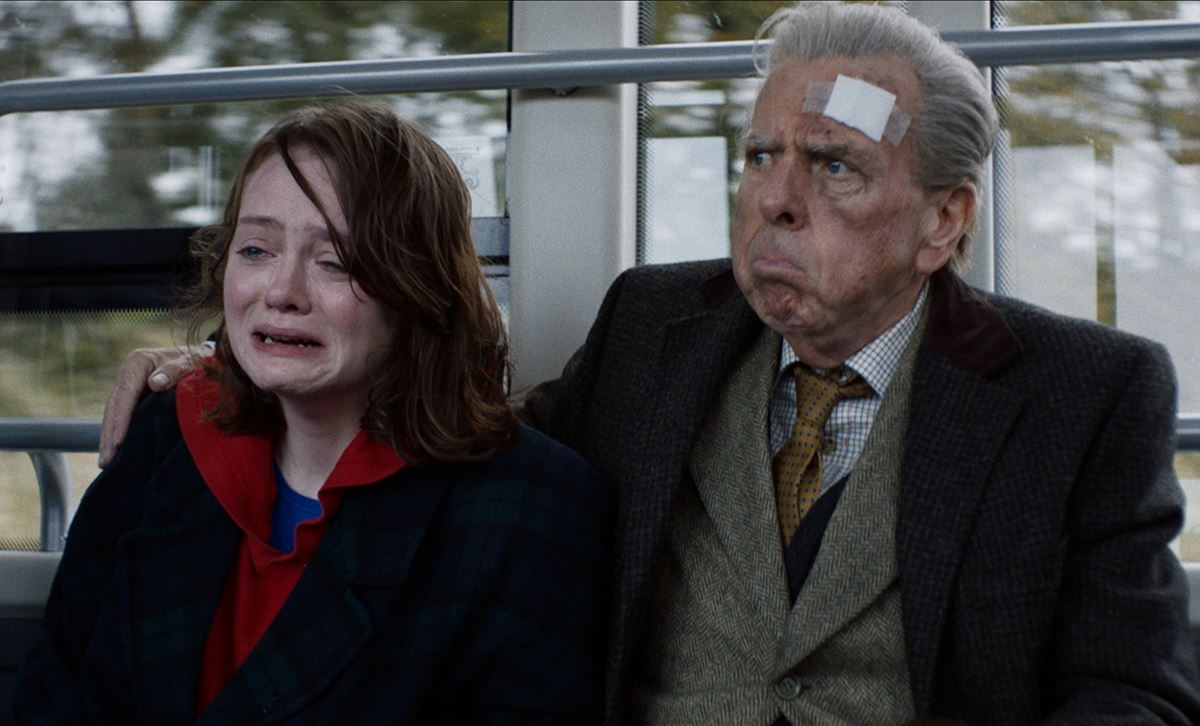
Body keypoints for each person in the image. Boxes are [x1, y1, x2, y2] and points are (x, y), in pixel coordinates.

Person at [95, 4, 1200, 725]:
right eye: (760, 155)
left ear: (944, 221)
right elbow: (460, 438)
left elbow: (1133, 695)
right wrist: (225, 369)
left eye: (834, 166)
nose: (775, 198)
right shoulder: (651, 326)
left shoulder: (1086, 393)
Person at [18, 105, 611, 724]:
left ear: (420, 288)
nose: (281, 292)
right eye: (255, 250)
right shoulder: (167, 434)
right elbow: (56, 686)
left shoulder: (530, 509)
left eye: (336, 262)